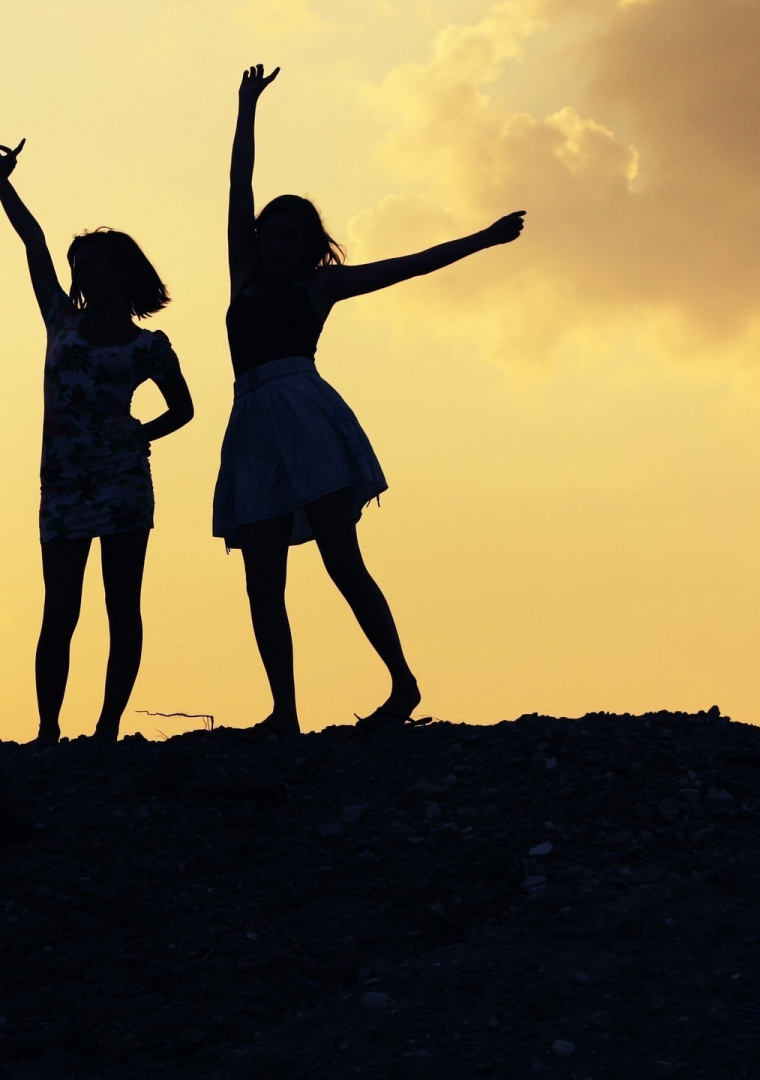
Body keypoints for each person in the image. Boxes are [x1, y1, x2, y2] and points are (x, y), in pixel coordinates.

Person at [216, 65, 525, 736]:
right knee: (261, 577)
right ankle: (285, 715)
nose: (274, 242)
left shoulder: (319, 289)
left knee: (340, 558)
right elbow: (239, 182)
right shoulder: (244, 272)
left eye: (288, 238)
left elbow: (411, 265)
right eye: (269, 233)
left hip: (305, 417)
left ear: (307, 249)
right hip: (251, 424)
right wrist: (246, 107)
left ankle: (403, 683)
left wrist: (485, 238)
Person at [0, 138, 195, 745]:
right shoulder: (62, 320)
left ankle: (107, 728)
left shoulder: (149, 346)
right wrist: (3, 183)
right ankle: (48, 730)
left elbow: (184, 409)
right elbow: (33, 243)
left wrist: (143, 433)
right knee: (61, 609)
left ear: (122, 273)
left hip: (124, 483)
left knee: (121, 607)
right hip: (63, 485)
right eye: (79, 264)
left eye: (95, 263)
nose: (82, 272)